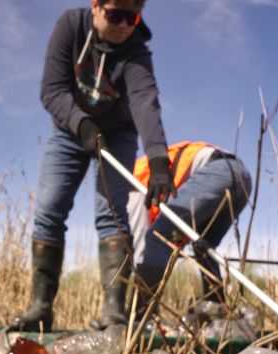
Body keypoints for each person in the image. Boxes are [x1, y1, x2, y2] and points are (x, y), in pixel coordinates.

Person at [9, 0, 172, 332]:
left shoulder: (136, 50)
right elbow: (52, 91)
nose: (124, 25)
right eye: (116, 15)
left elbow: (144, 102)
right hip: (70, 131)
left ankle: (114, 313)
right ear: (96, 6)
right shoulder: (71, 27)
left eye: (132, 18)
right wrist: (82, 125)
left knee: (112, 212)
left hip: (118, 135)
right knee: (49, 208)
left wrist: (158, 159)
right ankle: (40, 308)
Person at [121, 141, 252, 322]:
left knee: (157, 237)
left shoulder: (132, 179)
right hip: (241, 178)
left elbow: (142, 243)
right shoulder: (148, 167)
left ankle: (140, 316)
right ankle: (217, 311)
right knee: (203, 246)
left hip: (217, 172)